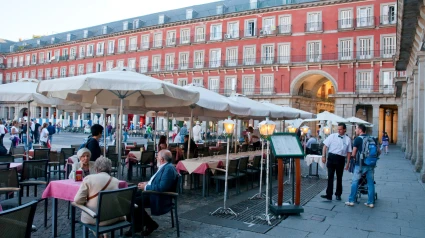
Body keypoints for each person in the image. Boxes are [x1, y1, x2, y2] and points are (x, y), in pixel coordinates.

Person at [125, 150, 178, 237]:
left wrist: (146, 187)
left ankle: (145, 224)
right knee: (128, 196)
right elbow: (159, 182)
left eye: (157, 156)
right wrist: (147, 183)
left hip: (159, 196)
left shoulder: (168, 169)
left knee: (132, 202)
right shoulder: (165, 166)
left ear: (162, 159)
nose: (156, 158)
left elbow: (162, 187)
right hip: (153, 193)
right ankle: (142, 224)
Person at [74, 156, 124, 233]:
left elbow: (77, 200)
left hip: (95, 218)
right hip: (113, 217)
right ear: (109, 169)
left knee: (88, 209)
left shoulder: (88, 179)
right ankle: (104, 234)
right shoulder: (116, 181)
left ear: (96, 168)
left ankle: (99, 234)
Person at [345, 124, 379, 208]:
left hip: (360, 164)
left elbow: (353, 153)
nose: (355, 130)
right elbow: (379, 151)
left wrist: (351, 159)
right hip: (371, 164)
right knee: (370, 182)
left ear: (360, 130)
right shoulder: (373, 138)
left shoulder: (358, 139)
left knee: (355, 181)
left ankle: (351, 200)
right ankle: (370, 202)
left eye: (356, 129)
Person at [320, 123, 352, 201]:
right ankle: (329, 194)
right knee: (330, 176)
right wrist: (323, 156)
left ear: (344, 129)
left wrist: (348, 163)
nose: (339, 131)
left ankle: (338, 194)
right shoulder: (332, 136)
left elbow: (349, 152)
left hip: (341, 158)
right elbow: (325, 146)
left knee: (339, 177)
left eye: (340, 129)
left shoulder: (348, 139)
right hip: (331, 157)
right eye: (338, 129)